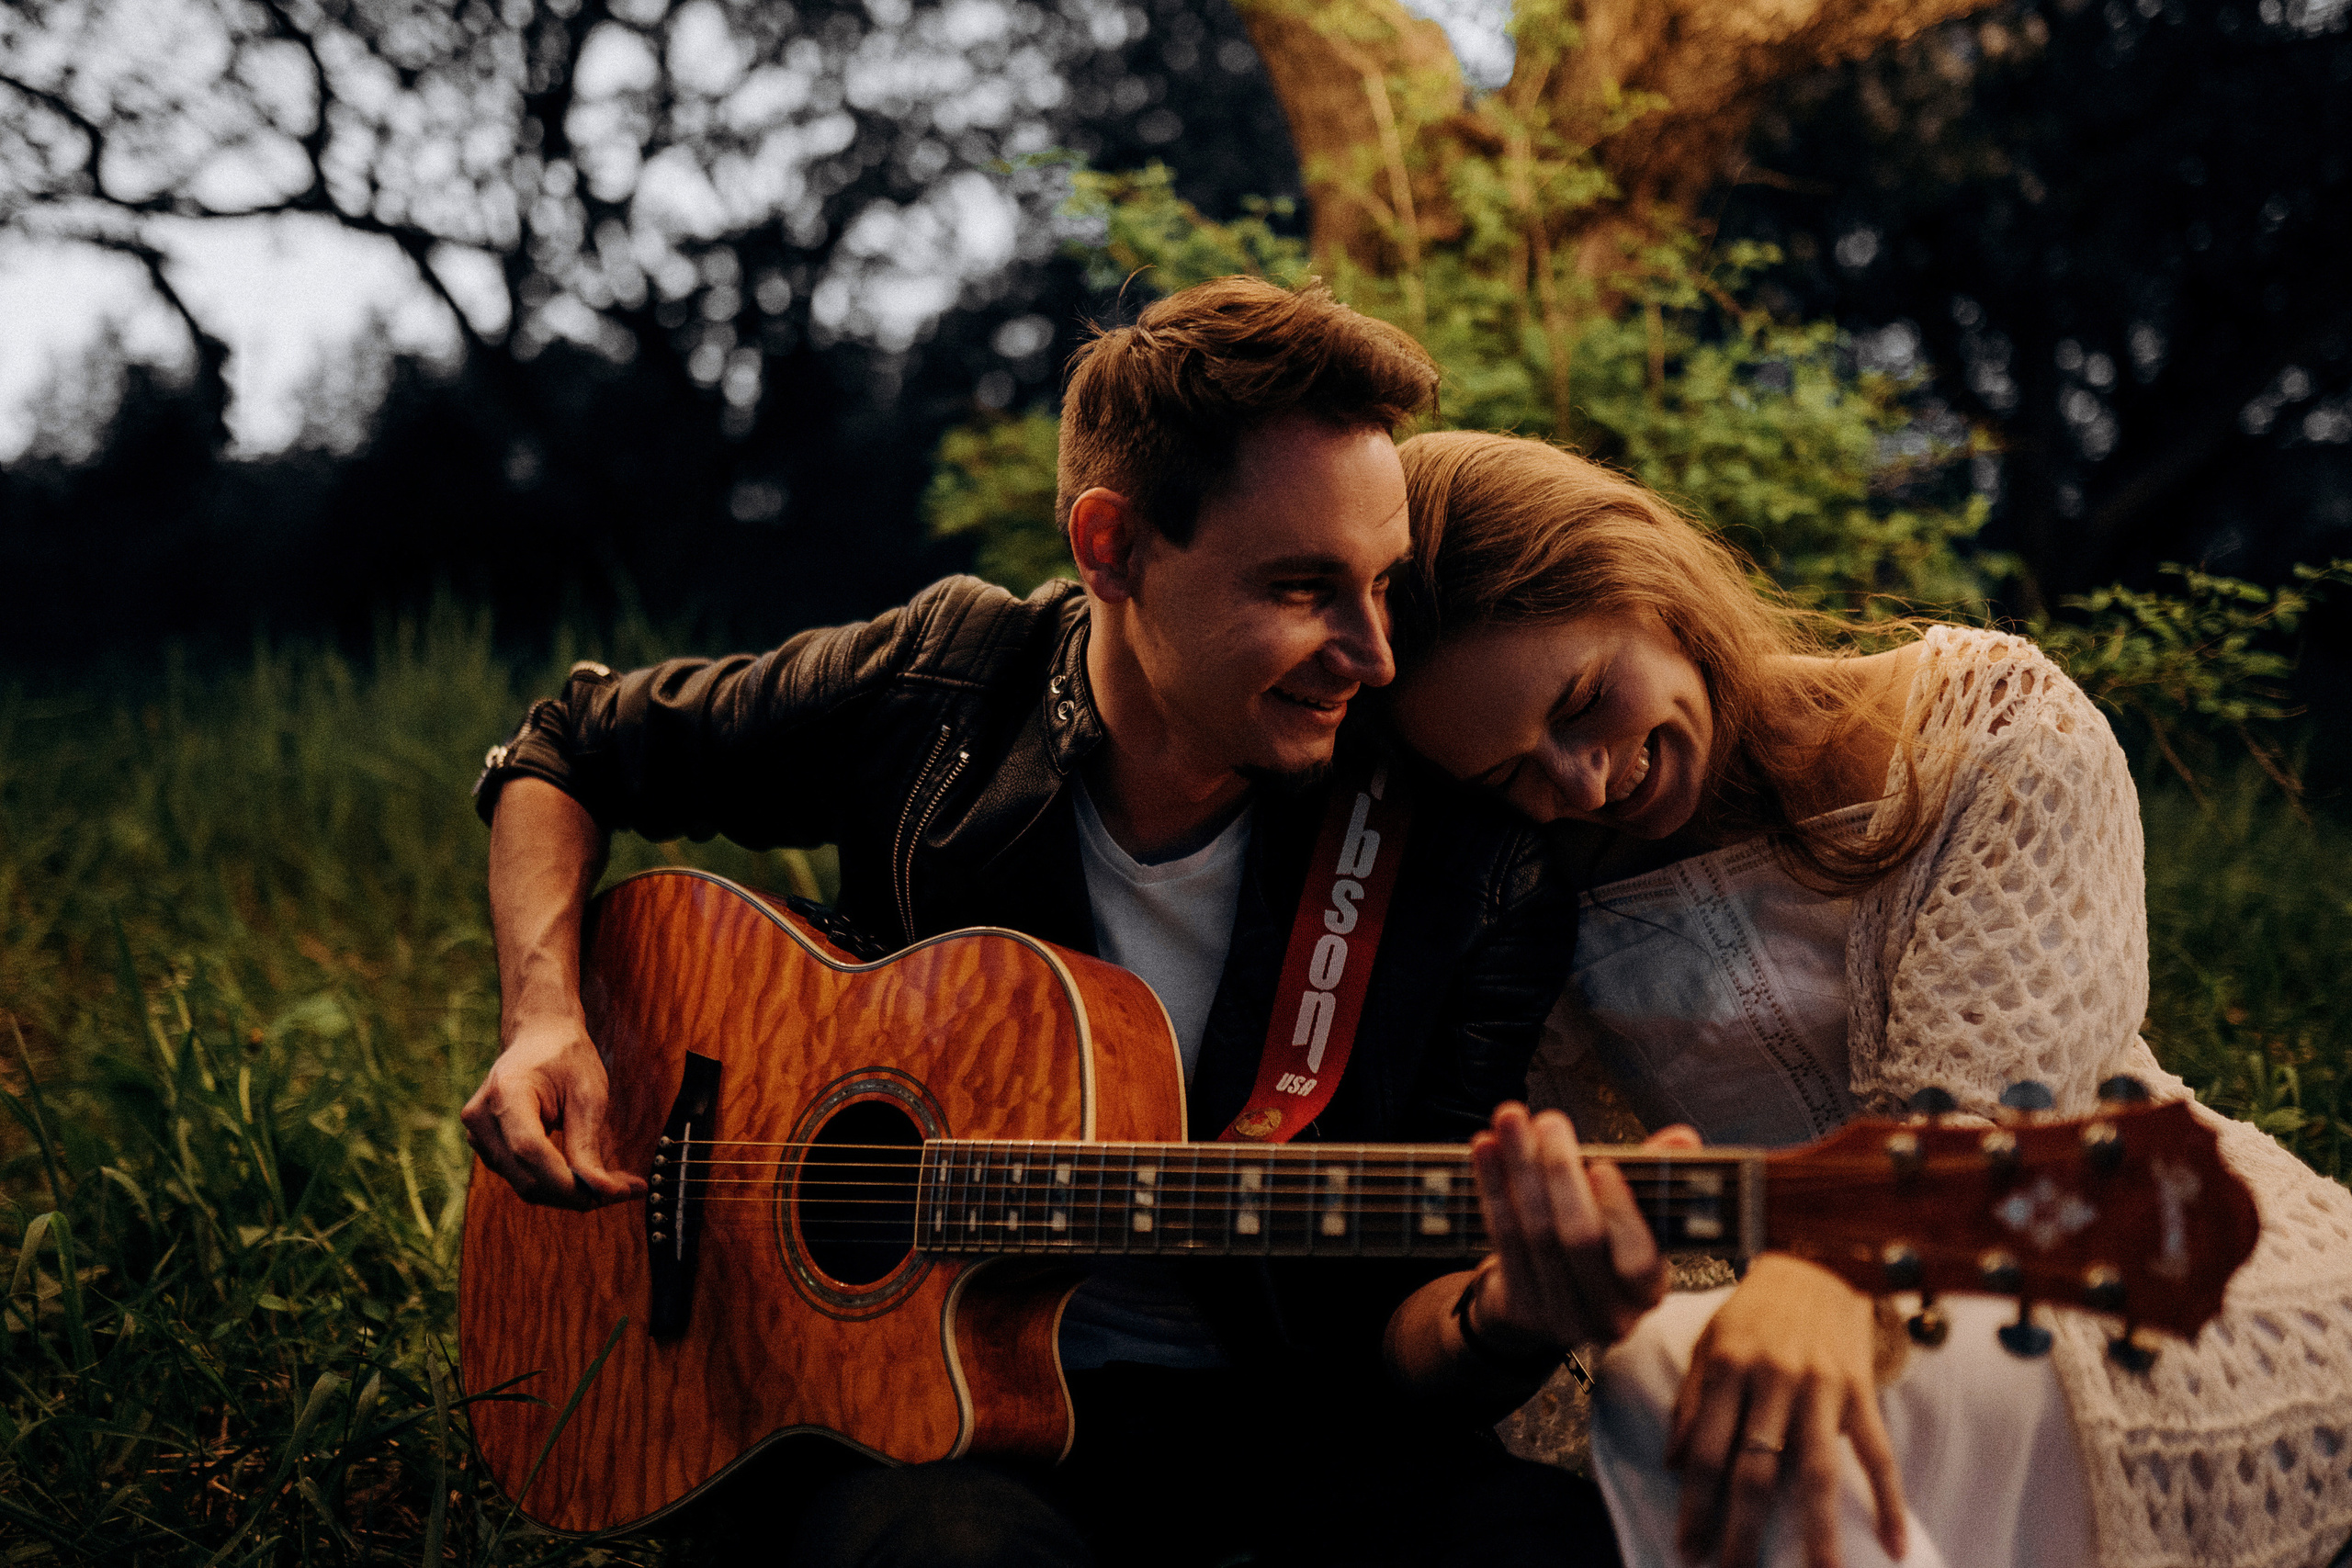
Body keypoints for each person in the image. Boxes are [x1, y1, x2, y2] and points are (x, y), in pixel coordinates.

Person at [458, 278, 1645, 1568]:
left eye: (1383, 584)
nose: (1371, 654)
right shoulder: (941, 682)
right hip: (915, 1421)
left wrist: (1509, 1314)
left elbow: (1418, 1336)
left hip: (1293, 1429)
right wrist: (545, 1021)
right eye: (1305, 587)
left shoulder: (1460, 862)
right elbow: (565, 747)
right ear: (1112, 548)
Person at [1382, 429, 2352, 1568]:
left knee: (1729, 1409)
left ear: (1643, 578)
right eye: (1510, 775)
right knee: (1695, 1392)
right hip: (1772, 1318)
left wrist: (1826, 1275)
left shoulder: (1984, 718)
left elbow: (1993, 1107)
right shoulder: (1533, 883)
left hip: (2121, 1237)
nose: (1582, 781)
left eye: (1583, 701)